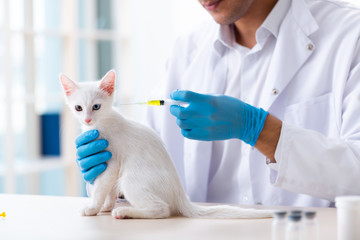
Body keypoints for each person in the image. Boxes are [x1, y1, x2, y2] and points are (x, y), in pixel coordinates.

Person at [75, 0, 360, 207]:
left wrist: (260, 130)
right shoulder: (187, 50)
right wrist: (115, 174)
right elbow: (150, 167)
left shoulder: (348, 35)